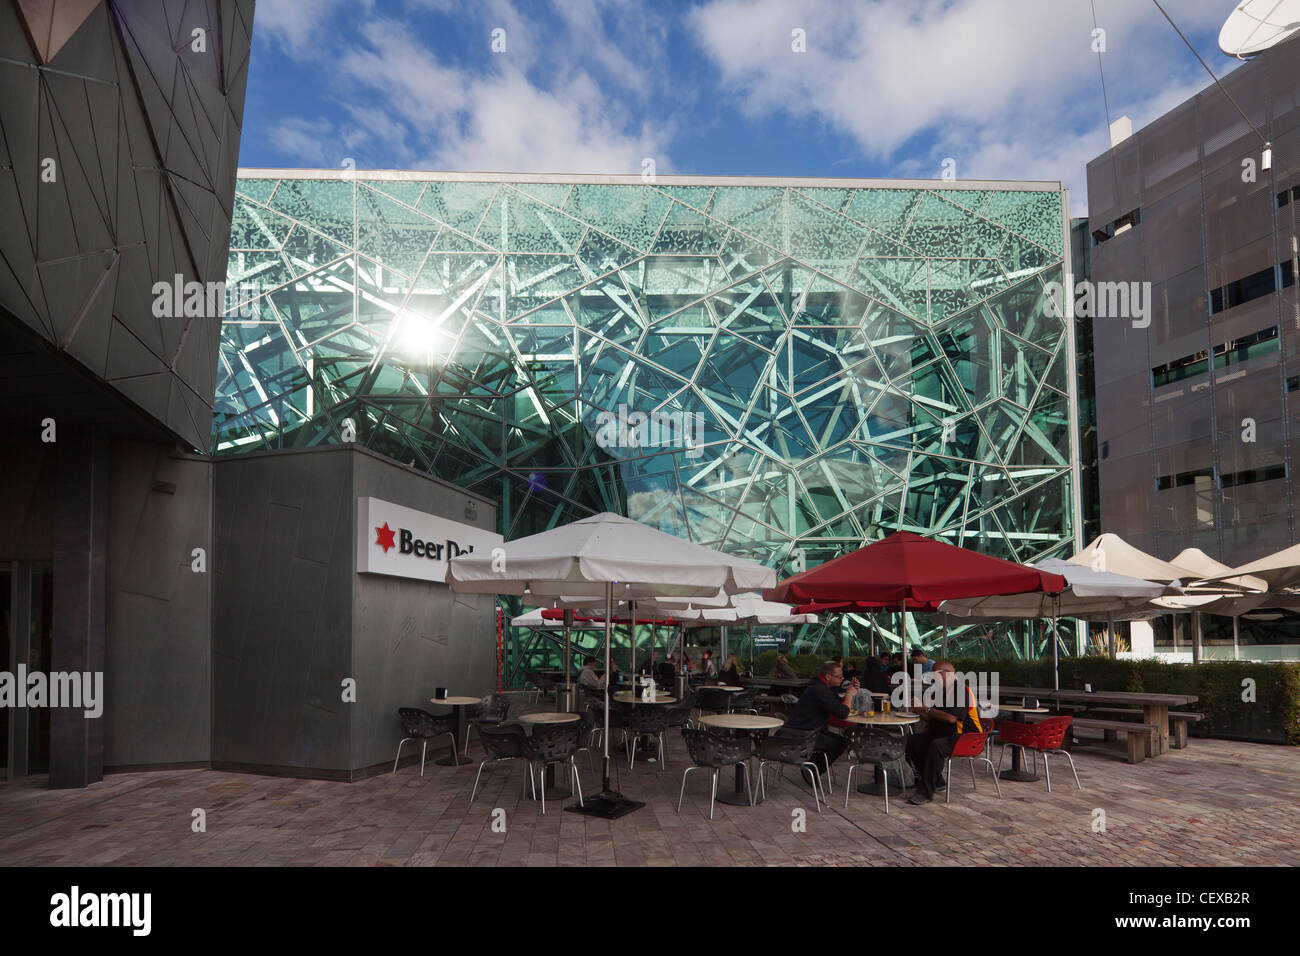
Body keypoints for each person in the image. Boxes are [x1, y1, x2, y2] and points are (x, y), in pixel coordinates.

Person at [905, 661, 983, 805]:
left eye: (934, 675)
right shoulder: (940, 692)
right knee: (913, 740)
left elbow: (951, 718)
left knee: (937, 746)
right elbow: (933, 716)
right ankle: (937, 781)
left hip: (967, 738)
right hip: (946, 734)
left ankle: (925, 792)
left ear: (945, 674)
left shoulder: (961, 691)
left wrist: (925, 708)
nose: (932, 679)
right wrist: (919, 710)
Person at [784, 660, 860, 770]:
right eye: (839, 677)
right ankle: (813, 770)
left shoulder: (818, 685)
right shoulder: (819, 689)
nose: (842, 679)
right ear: (828, 676)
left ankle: (812, 765)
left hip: (804, 729)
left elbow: (833, 703)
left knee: (839, 741)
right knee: (839, 743)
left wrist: (848, 690)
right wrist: (849, 694)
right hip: (803, 734)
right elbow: (842, 713)